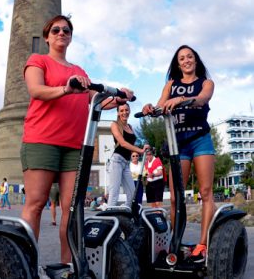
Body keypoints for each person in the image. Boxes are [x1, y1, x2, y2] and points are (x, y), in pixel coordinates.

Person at [20, 15, 134, 264]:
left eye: (67, 30)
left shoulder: (79, 71)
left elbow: (98, 101)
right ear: (48, 36)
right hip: (42, 141)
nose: (62, 33)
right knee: (36, 203)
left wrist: (120, 97)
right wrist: (66, 89)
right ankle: (23, 265)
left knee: (73, 210)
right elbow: (36, 90)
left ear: (70, 37)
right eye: (56, 30)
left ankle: (67, 268)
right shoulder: (38, 61)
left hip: (74, 147)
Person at [142, 44, 216, 263]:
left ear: (196, 59)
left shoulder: (206, 82)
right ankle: (177, 242)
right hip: (177, 144)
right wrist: (150, 108)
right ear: (178, 63)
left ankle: (203, 244)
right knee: (175, 198)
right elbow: (160, 106)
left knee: (205, 192)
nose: (186, 61)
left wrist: (181, 100)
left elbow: (202, 99)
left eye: (189, 57)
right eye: (182, 58)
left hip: (200, 140)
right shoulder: (171, 84)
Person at [107, 103, 149, 207]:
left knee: (132, 195)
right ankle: (108, 219)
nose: (124, 112)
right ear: (118, 113)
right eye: (121, 111)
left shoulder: (129, 126)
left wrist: (144, 147)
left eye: (126, 110)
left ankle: (124, 214)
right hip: (116, 161)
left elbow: (132, 145)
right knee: (114, 194)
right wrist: (140, 151)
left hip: (126, 163)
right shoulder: (114, 124)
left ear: (129, 111)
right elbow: (123, 143)